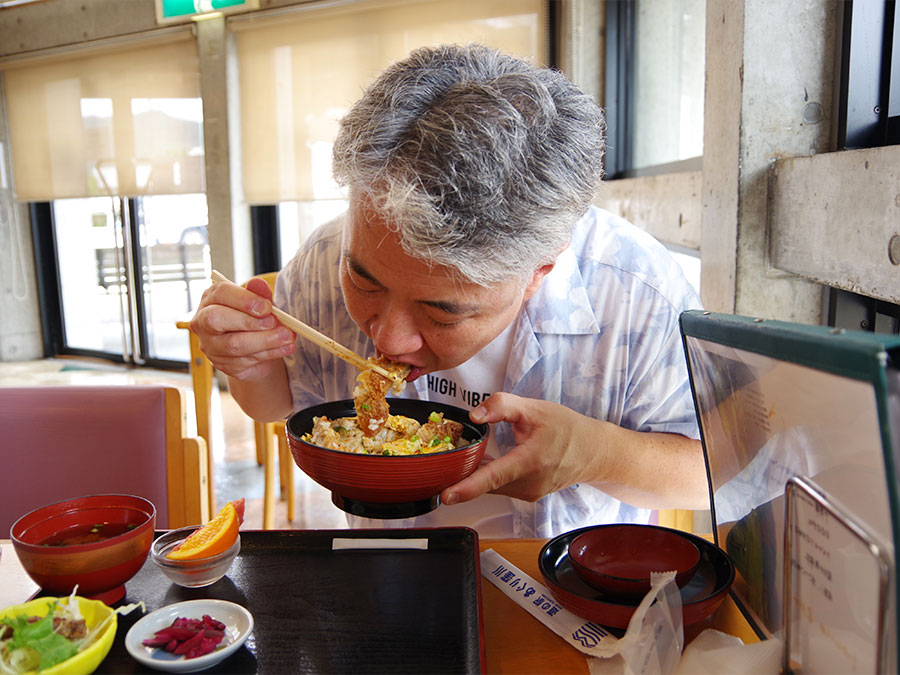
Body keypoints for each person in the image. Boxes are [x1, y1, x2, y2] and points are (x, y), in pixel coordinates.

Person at [191, 43, 709, 538]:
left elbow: (709, 474)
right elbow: (279, 404)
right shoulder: (326, 256)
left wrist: (596, 454)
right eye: (365, 281)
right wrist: (250, 363)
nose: (390, 340)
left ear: (538, 272)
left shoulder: (636, 292)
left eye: (443, 313)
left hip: (564, 587)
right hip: (387, 561)